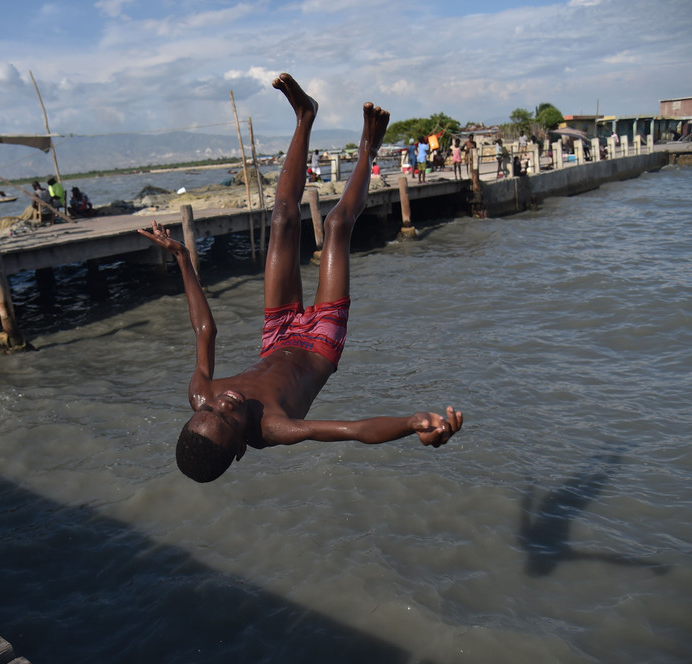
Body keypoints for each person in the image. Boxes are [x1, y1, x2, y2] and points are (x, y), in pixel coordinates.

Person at [138, 73, 463, 483]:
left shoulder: (201, 392)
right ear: (241, 447)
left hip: (277, 335)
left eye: (211, 408)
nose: (226, 402)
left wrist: (183, 257)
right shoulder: (275, 428)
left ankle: (304, 116)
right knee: (337, 226)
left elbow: (205, 329)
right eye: (230, 417)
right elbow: (353, 431)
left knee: (283, 217)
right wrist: (412, 423)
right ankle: (368, 148)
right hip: (320, 345)